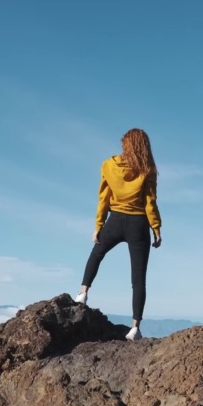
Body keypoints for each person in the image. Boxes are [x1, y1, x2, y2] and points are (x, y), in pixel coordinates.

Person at [74, 128, 162, 341]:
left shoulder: (109, 165)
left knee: (97, 253)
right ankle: (135, 328)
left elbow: (103, 197)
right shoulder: (147, 169)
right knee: (138, 278)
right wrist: (156, 229)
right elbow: (150, 202)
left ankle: (83, 294)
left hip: (114, 221)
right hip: (139, 224)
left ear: (125, 145)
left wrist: (98, 225)